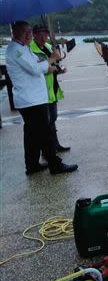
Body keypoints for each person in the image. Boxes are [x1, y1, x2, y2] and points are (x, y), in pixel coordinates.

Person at [5, 21, 78, 175]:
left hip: (33, 97)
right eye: (29, 31)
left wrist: (51, 66)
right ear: (22, 33)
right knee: (45, 133)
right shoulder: (16, 50)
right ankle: (55, 165)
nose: (31, 34)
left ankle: (31, 165)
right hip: (31, 99)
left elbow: (38, 63)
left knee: (31, 134)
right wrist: (51, 59)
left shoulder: (23, 48)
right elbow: (34, 68)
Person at [29, 24, 70, 152]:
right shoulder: (31, 49)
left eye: (46, 34)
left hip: (52, 88)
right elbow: (39, 68)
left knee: (53, 118)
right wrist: (52, 60)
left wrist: (59, 69)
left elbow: (53, 65)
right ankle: (47, 149)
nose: (44, 37)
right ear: (33, 35)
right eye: (40, 35)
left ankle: (55, 144)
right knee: (45, 122)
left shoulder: (47, 46)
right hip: (41, 90)